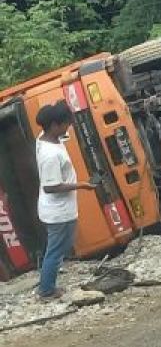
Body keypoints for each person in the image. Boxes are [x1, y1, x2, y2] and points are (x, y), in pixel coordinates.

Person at [34, 100, 98, 301]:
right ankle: (46, 291)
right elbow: (50, 187)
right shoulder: (50, 154)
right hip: (58, 212)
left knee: (59, 247)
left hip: (60, 210)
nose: (68, 127)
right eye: (65, 124)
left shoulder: (45, 137)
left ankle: (48, 285)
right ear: (54, 125)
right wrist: (81, 185)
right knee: (55, 251)